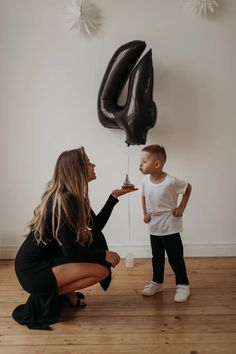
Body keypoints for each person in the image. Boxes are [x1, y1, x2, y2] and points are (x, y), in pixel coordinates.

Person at [12, 147, 136, 329]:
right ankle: (50, 295)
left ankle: (63, 293)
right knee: (101, 270)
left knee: (101, 267)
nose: (93, 165)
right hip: (34, 270)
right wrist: (103, 254)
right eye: (87, 162)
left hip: (46, 262)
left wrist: (113, 198)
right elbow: (70, 251)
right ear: (76, 169)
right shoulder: (65, 200)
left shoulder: (75, 197)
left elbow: (95, 227)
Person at [139, 144, 192, 302]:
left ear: (157, 164)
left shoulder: (170, 181)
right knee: (157, 257)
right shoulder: (145, 181)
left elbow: (188, 188)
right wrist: (145, 214)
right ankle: (157, 282)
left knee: (175, 257)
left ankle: (183, 285)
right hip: (154, 225)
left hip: (169, 225)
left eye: (144, 161)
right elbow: (143, 196)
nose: (140, 164)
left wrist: (181, 207)